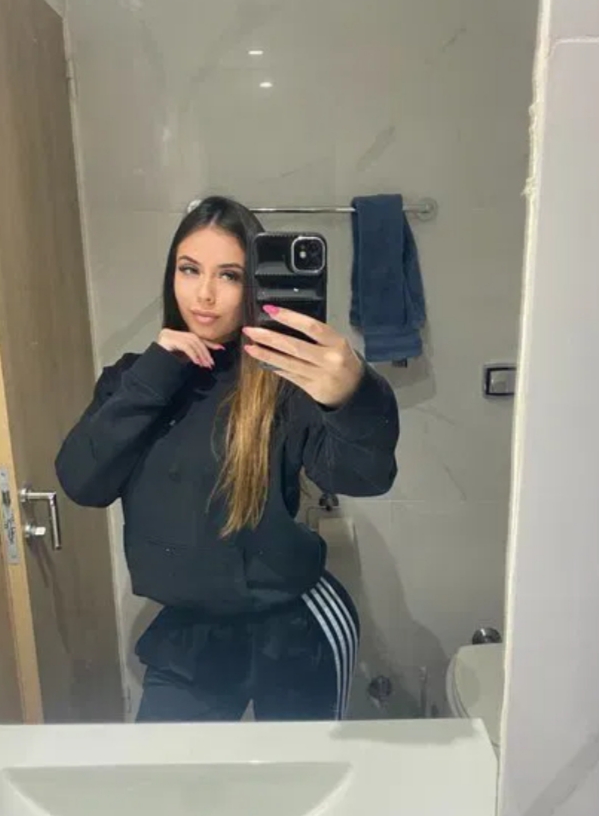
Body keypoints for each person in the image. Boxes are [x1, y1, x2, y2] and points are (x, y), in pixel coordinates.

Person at [55, 196, 399, 723]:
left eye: (230, 275)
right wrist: (156, 372)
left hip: (296, 627)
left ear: (254, 286)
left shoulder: (282, 382)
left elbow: (363, 476)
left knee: (301, 774)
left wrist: (353, 394)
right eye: (189, 269)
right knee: (168, 773)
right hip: (192, 635)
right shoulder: (135, 379)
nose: (205, 294)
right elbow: (82, 481)